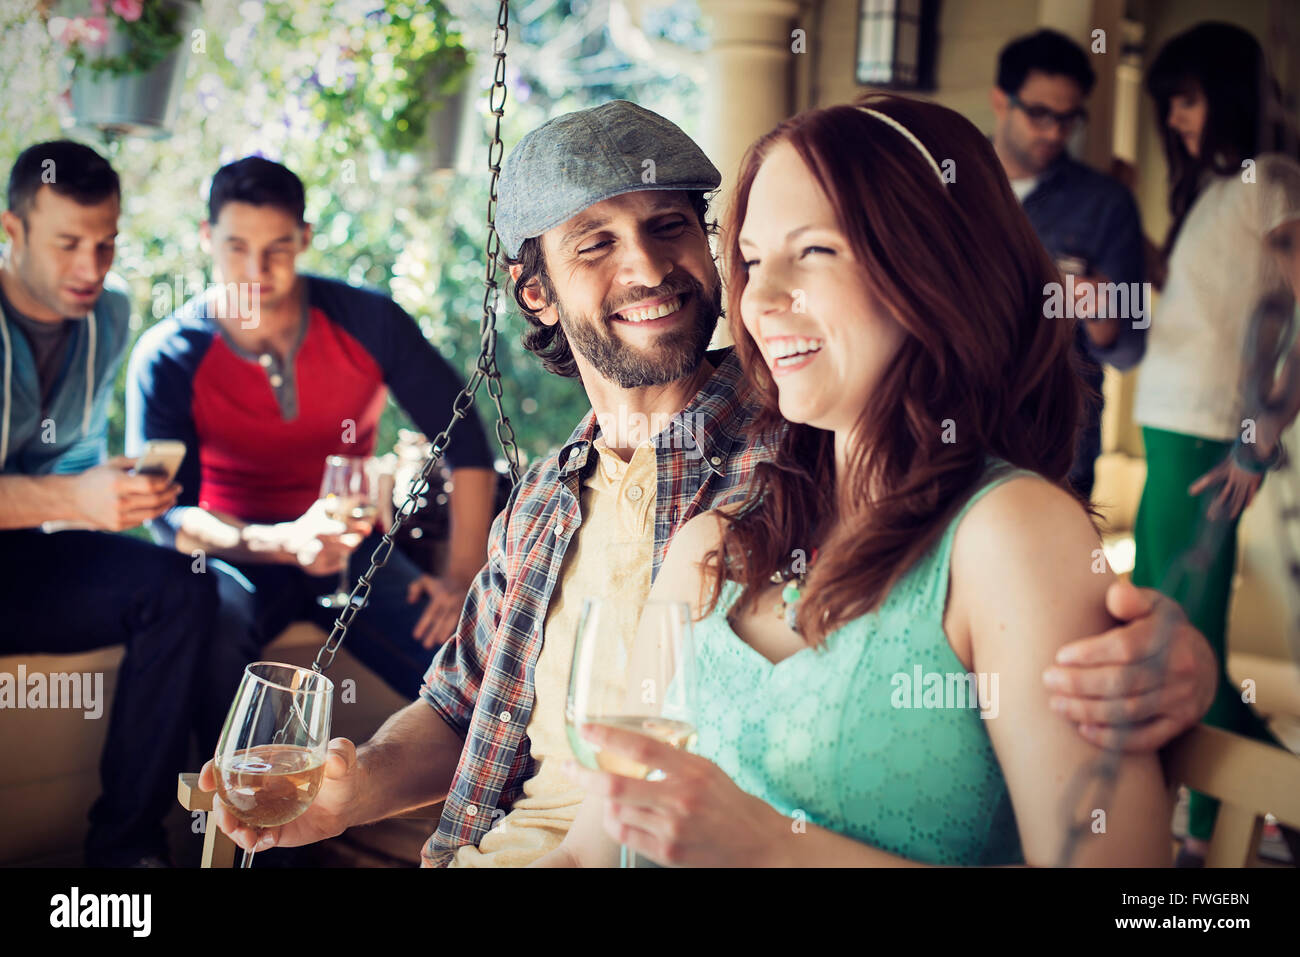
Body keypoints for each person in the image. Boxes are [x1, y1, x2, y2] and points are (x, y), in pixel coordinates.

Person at [199, 101, 1218, 868]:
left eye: (673, 227)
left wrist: (1172, 658)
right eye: (595, 242)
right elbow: (488, 722)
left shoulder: (781, 446)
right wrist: (352, 786)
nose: (654, 269)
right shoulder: (600, 503)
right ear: (534, 290)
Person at [541, 94, 1173, 867]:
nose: (761, 301)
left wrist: (776, 849)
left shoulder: (1012, 535)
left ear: (934, 266)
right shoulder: (716, 544)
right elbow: (589, 850)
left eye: (813, 252)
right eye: (750, 259)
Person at [125, 156, 498, 746]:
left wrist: (460, 576)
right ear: (206, 239)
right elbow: (169, 517)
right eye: (236, 247)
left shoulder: (369, 320)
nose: (256, 269)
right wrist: (278, 543)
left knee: (466, 662)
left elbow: (465, 438)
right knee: (214, 634)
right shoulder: (168, 355)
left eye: (277, 247)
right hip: (234, 555)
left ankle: (501, 820)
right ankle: (250, 832)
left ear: (304, 238)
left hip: (351, 551)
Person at [0, 140, 216, 867]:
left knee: (181, 586)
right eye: (67, 244)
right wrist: (72, 496)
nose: (91, 267)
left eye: (106, 242)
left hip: (20, 551)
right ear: (12, 231)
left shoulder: (109, 312)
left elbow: (58, 454)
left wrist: (111, 483)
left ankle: (128, 847)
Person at [1132, 22, 1300, 866]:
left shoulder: (1271, 180)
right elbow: (1207, 296)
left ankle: (1281, 801)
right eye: (1171, 103)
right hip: (1171, 427)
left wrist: (1258, 437)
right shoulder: (1221, 189)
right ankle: (1201, 830)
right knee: (1159, 631)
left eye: (1190, 98)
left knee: (1184, 647)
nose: (1179, 117)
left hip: (1208, 438)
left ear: (1230, 92)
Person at [990, 29, 1147, 498]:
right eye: (1040, 114)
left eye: (1068, 118)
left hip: (1058, 450)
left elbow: (1131, 347)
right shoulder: (947, 182)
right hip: (949, 435)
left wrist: (1101, 311)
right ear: (1002, 100)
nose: (1055, 132)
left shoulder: (1107, 203)